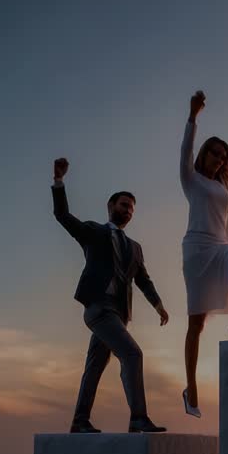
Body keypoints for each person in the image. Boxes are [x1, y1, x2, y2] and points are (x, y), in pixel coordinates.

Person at [51, 157, 168, 433]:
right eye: (124, 205)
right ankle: (138, 417)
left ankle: (80, 421)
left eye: (132, 209)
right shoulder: (94, 231)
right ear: (111, 206)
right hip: (98, 308)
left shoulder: (135, 248)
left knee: (94, 367)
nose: (128, 211)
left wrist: (158, 305)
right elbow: (63, 217)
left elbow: (144, 281)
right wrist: (59, 182)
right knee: (132, 354)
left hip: (119, 314)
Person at [179, 90, 228, 419]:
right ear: (204, 155)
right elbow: (184, 152)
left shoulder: (224, 189)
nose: (219, 159)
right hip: (196, 250)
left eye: (224, 156)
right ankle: (191, 386)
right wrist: (193, 116)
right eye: (214, 153)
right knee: (196, 323)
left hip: (220, 247)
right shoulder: (192, 180)